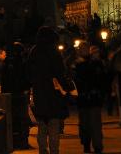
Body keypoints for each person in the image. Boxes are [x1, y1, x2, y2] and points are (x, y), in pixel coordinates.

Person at [27, 26, 75, 154]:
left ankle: (43, 149)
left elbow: (29, 72)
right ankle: (54, 150)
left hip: (39, 91)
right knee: (53, 125)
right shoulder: (53, 53)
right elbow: (59, 73)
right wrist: (67, 87)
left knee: (42, 124)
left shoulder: (34, 52)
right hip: (53, 93)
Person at [75, 43, 106, 154]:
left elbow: (101, 79)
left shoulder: (95, 63)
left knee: (95, 123)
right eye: (81, 49)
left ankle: (97, 145)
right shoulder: (77, 64)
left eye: (84, 49)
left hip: (93, 99)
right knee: (84, 123)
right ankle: (86, 144)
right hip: (83, 99)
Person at [1, 42, 30, 149]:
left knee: (12, 119)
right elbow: (26, 78)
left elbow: (4, 79)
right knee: (22, 118)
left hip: (9, 94)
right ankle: (22, 140)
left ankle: (14, 140)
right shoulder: (22, 62)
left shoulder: (6, 63)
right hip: (20, 93)